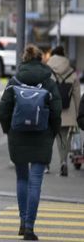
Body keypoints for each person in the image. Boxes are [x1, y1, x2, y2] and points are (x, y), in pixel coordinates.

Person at [0, 45, 61, 241]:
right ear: (41, 60)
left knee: (22, 179)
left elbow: (3, 108)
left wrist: (8, 129)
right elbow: (57, 111)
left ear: (24, 59)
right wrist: (52, 132)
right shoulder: (49, 83)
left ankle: (23, 222)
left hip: (18, 135)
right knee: (35, 183)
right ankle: (30, 227)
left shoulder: (14, 80)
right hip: (42, 135)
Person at [46, 46, 79, 177]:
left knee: (47, 139)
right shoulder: (71, 72)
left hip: (50, 110)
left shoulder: (47, 71)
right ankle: (63, 163)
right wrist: (78, 114)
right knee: (63, 140)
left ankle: (45, 165)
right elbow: (77, 96)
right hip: (67, 111)